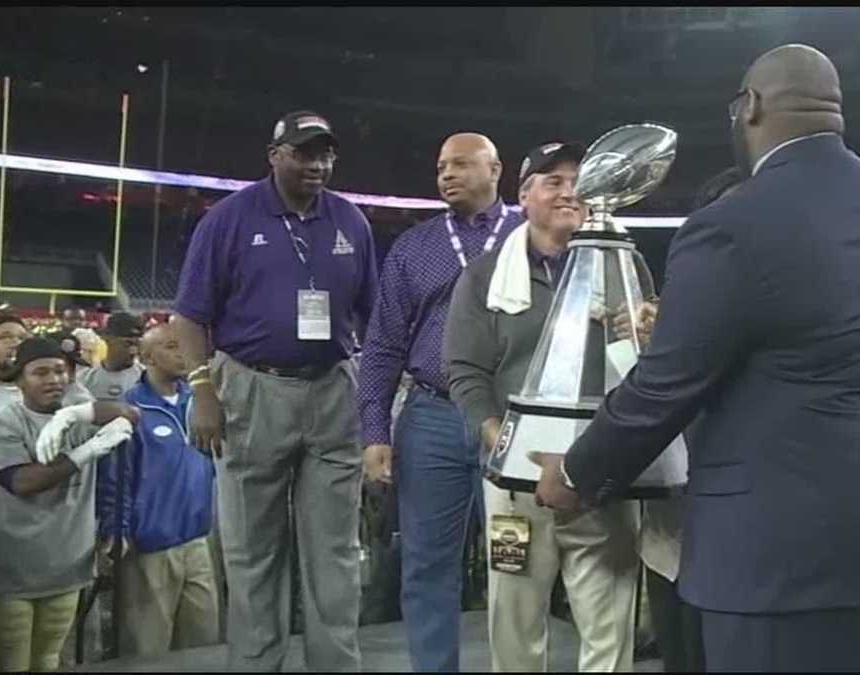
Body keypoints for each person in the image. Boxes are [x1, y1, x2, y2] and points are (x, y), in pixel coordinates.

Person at [533, 44, 860, 672]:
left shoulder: (732, 224)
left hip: (787, 554)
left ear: (749, 107)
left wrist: (574, 476)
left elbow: (663, 388)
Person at [173, 109, 377, 671]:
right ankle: (257, 664)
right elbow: (189, 317)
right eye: (305, 153)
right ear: (275, 155)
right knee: (253, 553)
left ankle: (335, 665)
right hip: (251, 387)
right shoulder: (229, 218)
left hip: (334, 386)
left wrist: (374, 396)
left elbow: (373, 315)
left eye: (326, 154)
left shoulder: (351, 221)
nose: (318, 164)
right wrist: (203, 390)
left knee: (335, 551)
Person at [445, 142, 642, 672]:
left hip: (601, 474)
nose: (570, 191)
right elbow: (464, 372)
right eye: (553, 181)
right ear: (524, 195)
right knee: (515, 623)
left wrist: (642, 332)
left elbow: (646, 368)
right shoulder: (486, 276)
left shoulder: (624, 263)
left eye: (579, 180)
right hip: (517, 479)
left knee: (608, 623)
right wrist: (503, 444)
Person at [358, 132, 524, 672]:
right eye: (439, 167)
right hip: (432, 413)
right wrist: (376, 432)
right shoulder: (415, 247)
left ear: (495, 169)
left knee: (517, 561)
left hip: (513, 417)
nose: (445, 175)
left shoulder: (530, 234)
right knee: (427, 565)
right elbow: (383, 344)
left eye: (459, 165)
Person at [0, 337, 138, 672]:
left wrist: (75, 413)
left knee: (47, 660)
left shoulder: (79, 418)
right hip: (12, 569)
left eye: (60, 371)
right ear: (19, 381)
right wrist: (84, 453)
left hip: (66, 565)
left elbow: (130, 414)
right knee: (8, 661)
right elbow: (22, 483)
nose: (53, 379)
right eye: (40, 372)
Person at [640, 167, 745, 675]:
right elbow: (648, 396)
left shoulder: (792, 288)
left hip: (746, 529)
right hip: (674, 523)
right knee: (680, 654)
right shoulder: (682, 289)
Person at [98, 322, 219, 658]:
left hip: (198, 541)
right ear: (147, 356)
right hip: (149, 547)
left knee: (203, 645)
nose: (182, 353)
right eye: (171, 346)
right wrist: (116, 532)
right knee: (147, 650)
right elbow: (114, 479)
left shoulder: (201, 402)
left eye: (184, 345)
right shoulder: (130, 409)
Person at [79, 312, 145, 402]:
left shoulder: (148, 380)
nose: (133, 351)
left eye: (136, 345)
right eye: (127, 343)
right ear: (107, 337)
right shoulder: (85, 379)